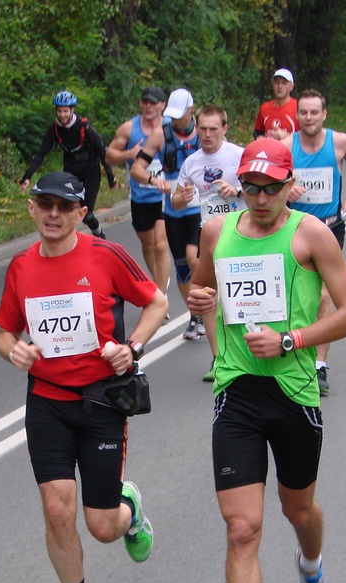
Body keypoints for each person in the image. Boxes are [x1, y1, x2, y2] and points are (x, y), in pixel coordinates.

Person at [186, 138, 346, 583]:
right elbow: (202, 289)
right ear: (239, 186)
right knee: (242, 527)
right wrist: (207, 321)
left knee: (297, 509)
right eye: (250, 187)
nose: (260, 198)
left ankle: (311, 565)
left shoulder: (311, 235)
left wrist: (293, 339)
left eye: (271, 187)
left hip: (293, 391)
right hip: (237, 391)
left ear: (290, 185)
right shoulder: (218, 233)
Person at [0, 171, 168, 583]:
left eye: (64, 206)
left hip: (101, 401)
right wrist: (14, 352)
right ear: (32, 209)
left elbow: (156, 301)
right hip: (47, 400)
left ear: (80, 213)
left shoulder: (104, 255)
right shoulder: (21, 268)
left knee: (101, 525)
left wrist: (131, 347)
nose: (53, 214)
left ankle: (128, 507)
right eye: (44, 204)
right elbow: (5, 332)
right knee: (56, 508)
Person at [282, 89, 346, 394]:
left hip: (330, 229)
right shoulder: (286, 146)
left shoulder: (340, 143)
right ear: (297, 116)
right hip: (293, 229)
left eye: (314, 112)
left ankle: (318, 365)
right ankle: (294, 349)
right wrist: (286, 190)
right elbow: (273, 180)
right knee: (294, 295)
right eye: (303, 113)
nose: (308, 118)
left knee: (322, 296)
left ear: (324, 114)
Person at [171, 104, 247, 381]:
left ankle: (248, 351)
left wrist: (237, 189)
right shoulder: (192, 163)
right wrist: (183, 195)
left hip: (242, 233)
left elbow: (260, 190)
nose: (207, 134)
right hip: (210, 235)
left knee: (240, 295)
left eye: (213, 129)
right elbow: (176, 202)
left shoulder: (239, 155)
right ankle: (218, 358)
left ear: (225, 129)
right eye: (202, 128)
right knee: (207, 295)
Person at [130, 88, 203, 340]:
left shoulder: (206, 132)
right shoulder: (160, 134)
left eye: (179, 115)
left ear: (191, 110)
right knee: (182, 265)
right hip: (173, 209)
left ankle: (217, 307)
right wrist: (153, 180)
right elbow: (136, 169)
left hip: (203, 208)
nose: (174, 120)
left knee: (196, 258)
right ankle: (196, 315)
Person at [19, 91, 117, 239]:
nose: (62, 115)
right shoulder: (55, 129)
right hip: (71, 172)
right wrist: (27, 176)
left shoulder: (84, 126)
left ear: (72, 110)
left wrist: (111, 178)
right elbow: (41, 153)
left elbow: (102, 152)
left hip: (91, 170)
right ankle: (67, 241)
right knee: (67, 209)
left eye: (65, 111)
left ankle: (100, 236)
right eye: (59, 111)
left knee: (87, 214)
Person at [106, 86, 172, 293]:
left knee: (160, 244)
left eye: (153, 103)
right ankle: (158, 281)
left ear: (163, 105)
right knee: (148, 244)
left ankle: (160, 295)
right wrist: (128, 154)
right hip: (140, 195)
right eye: (145, 102)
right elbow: (109, 156)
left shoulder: (171, 127)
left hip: (164, 194)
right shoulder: (129, 128)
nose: (148, 106)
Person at [254, 69, 298, 139]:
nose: (280, 86)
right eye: (277, 82)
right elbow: (258, 132)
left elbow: (307, 138)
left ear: (291, 86)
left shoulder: (298, 108)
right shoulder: (264, 108)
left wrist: (287, 137)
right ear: (272, 84)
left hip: (290, 149)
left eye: (284, 83)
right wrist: (260, 138)